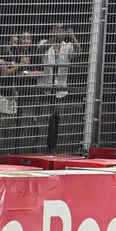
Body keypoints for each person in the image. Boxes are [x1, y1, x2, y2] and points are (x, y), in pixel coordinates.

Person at [37, 23, 82, 152]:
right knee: (44, 121)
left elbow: (78, 53)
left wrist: (72, 37)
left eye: (62, 29)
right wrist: (54, 39)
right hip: (45, 88)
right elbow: (40, 51)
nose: (59, 31)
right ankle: (40, 147)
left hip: (60, 89)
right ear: (51, 30)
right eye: (57, 28)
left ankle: (55, 148)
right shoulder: (44, 42)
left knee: (58, 120)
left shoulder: (67, 46)